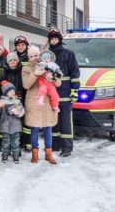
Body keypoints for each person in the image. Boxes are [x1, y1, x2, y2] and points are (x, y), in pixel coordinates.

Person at [22, 46, 59, 164]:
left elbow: (58, 83)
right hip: (34, 103)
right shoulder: (26, 68)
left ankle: (49, 154)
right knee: (34, 128)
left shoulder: (50, 64)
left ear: (40, 55)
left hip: (47, 102)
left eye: (36, 55)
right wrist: (35, 74)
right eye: (31, 56)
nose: (34, 58)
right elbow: (26, 85)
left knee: (48, 128)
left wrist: (53, 77)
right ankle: (35, 154)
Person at [48, 29, 80, 157]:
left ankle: (67, 147)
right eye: (51, 38)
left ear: (60, 39)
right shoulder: (47, 55)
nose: (53, 40)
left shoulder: (69, 54)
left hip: (65, 94)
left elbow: (75, 73)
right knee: (53, 121)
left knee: (65, 121)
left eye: (55, 38)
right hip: (51, 94)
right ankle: (56, 145)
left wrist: (74, 90)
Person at [0, 81, 25, 164]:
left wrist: (19, 113)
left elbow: (22, 111)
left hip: (16, 126)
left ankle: (16, 157)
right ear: (6, 92)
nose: (12, 93)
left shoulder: (17, 101)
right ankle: (4, 156)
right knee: (5, 142)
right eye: (10, 91)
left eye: (13, 91)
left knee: (15, 143)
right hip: (5, 126)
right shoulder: (2, 101)